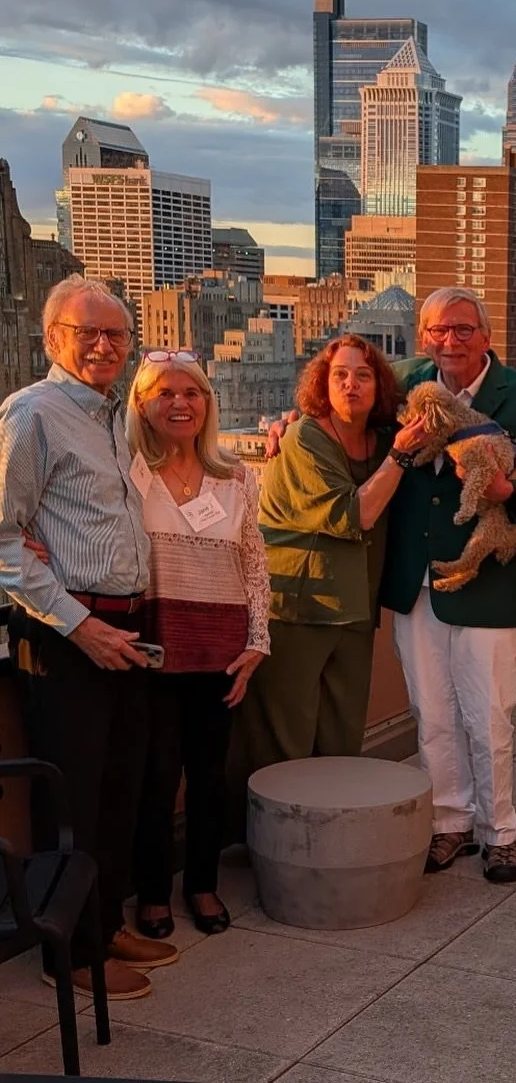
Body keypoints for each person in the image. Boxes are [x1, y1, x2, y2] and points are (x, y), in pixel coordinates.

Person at [0, 276, 177, 1000]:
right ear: (53, 340)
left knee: (119, 784)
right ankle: (66, 953)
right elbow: (3, 540)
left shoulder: (110, 415)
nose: (104, 345)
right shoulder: (32, 413)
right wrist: (82, 625)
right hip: (68, 632)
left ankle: (103, 925)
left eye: (116, 334)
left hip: (124, 626)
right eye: (88, 333)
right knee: (70, 794)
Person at [380, 287, 516, 882]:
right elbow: (340, 415)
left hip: (488, 580)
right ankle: (449, 825)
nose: (450, 342)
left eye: (463, 329)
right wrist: (290, 423)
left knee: (489, 714)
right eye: (438, 330)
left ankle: (501, 833)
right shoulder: (401, 385)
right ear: (423, 336)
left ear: (487, 337)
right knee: (431, 712)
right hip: (415, 581)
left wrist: (509, 494)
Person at [233, 334, 426, 787]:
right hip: (299, 608)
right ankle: (276, 843)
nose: (351, 384)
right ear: (322, 382)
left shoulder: (379, 440)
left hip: (356, 608)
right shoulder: (304, 438)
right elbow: (353, 516)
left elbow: (425, 366)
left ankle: (331, 842)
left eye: (364, 375)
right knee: (286, 737)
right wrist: (400, 455)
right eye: (339, 374)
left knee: (342, 737)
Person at [125, 353, 270, 939]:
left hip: (221, 652)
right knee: (156, 778)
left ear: (208, 403)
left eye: (193, 392)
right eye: (165, 392)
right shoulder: (127, 473)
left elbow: (255, 565)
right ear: (142, 403)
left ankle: (203, 884)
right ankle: (154, 891)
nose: (180, 402)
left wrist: (257, 642)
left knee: (210, 777)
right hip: (153, 651)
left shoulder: (238, 477)